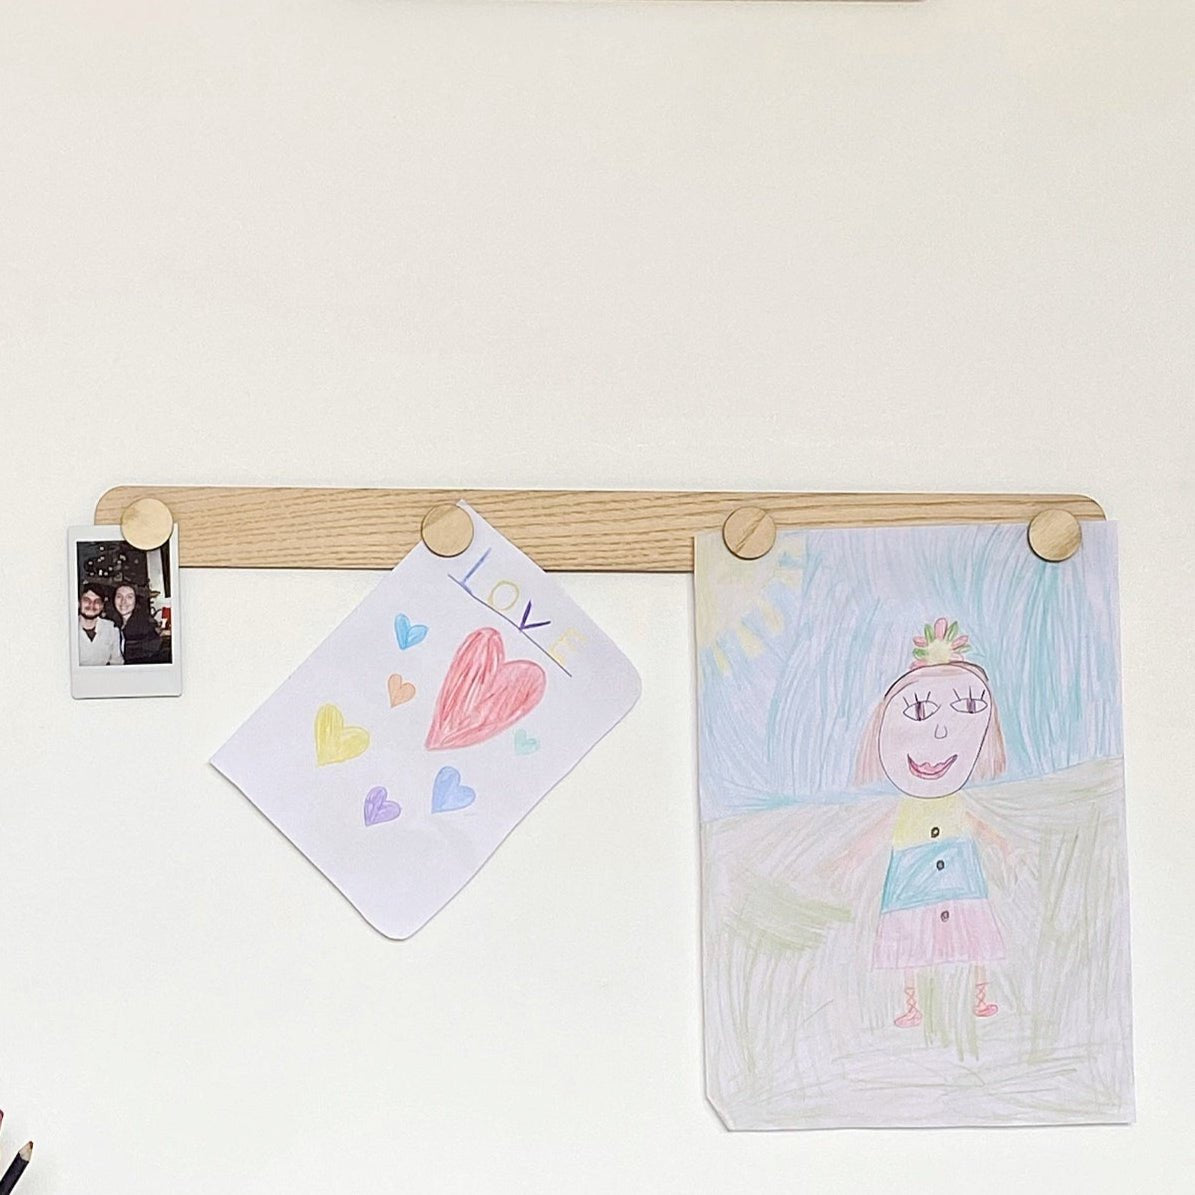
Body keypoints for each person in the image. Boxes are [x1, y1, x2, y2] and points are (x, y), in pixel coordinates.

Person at [855, 618, 1008, 1027]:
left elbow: (973, 822)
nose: (940, 734)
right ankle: (912, 1005)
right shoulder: (909, 803)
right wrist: (853, 855)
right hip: (912, 874)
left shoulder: (953, 798)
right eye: (921, 712)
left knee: (971, 931)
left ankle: (980, 997)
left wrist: (1002, 842)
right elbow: (883, 829)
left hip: (957, 868)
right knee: (911, 939)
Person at [113, 583, 163, 664]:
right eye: (119, 596)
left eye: (129, 597)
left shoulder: (144, 628)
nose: (123, 601)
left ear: (136, 600)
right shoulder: (112, 624)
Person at [78, 581, 123, 666]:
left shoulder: (112, 629)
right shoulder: (68, 628)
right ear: (79, 603)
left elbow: (117, 662)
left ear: (102, 606)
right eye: (87, 600)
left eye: (97, 601)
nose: (92, 605)